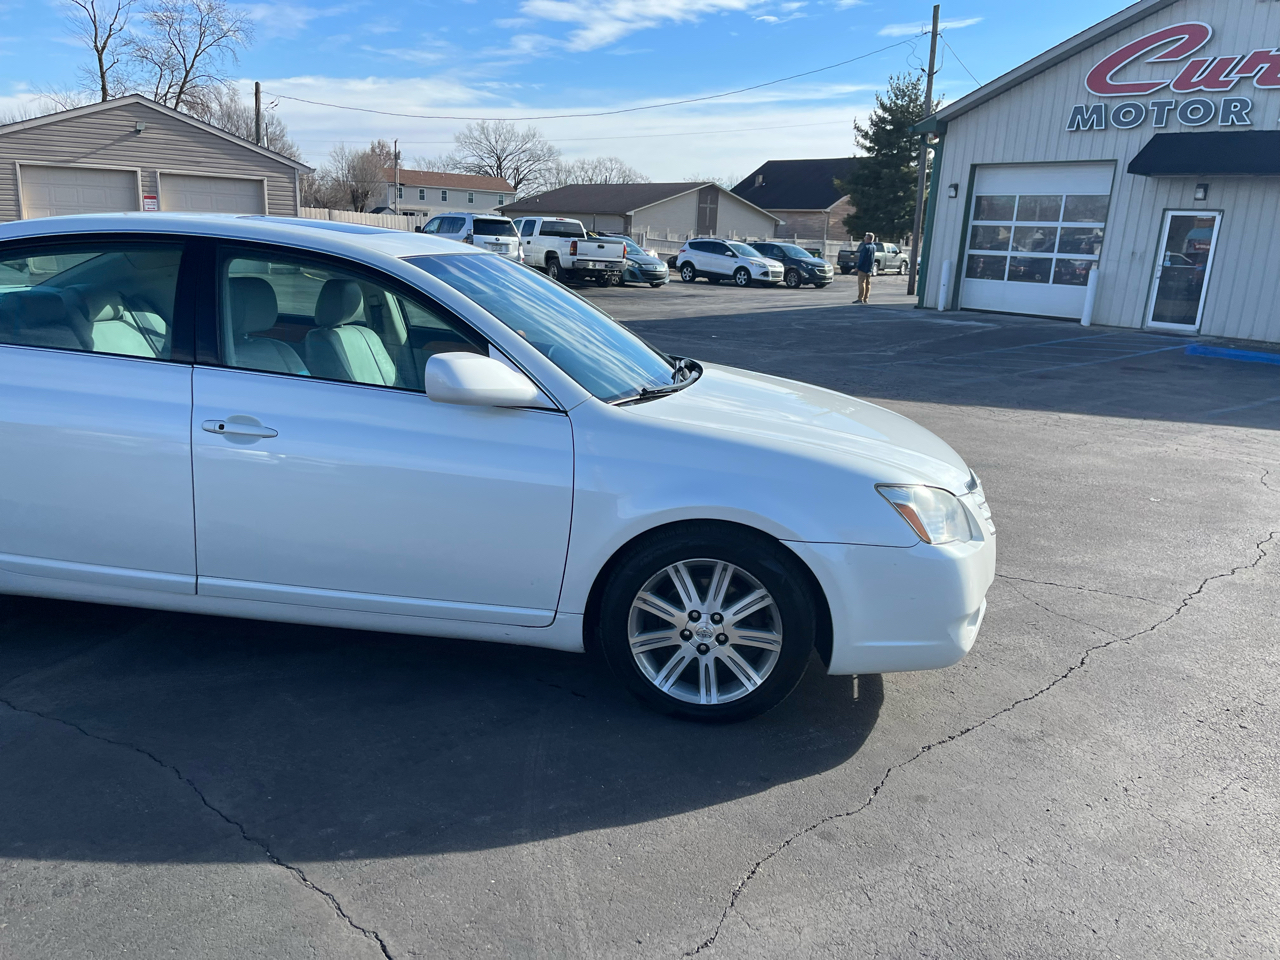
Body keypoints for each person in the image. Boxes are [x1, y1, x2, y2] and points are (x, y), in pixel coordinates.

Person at [853, 232, 876, 303]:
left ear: (868, 238)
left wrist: (858, 267)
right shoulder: (874, 247)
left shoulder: (865, 247)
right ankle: (866, 298)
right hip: (869, 268)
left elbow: (862, 258)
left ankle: (860, 298)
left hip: (863, 268)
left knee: (861, 283)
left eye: (865, 237)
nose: (864, 238)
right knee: (868, 284)